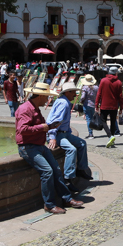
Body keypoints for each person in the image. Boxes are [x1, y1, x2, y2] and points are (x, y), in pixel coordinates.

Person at [15, 82, 87, 214]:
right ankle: (49, 204)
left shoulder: (35, 108)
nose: (49, 99)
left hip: (39, 145)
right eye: (47, 96)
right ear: (41, 96)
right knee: (47, 172)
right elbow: (22, 129)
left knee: (56, 170)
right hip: (28, 147)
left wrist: (49, 128)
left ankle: (67, 198)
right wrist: (43, 128)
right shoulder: (25, 109)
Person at [47, 80, 93, 189]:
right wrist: (52, 137)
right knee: (71, 150)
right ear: (67, 92)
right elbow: (55, 121)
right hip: (58, 134)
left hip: (65, 133)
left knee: (82, 143)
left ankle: (81, 169)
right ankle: (68, 178)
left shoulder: (64, 101)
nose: (75, 95)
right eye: (73, 92)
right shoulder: (63, 103)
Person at [97, 67, 123, 147]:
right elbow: (120, 96)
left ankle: (110, 136)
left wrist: (96, 104)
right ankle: (112, 139)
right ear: (116, 73)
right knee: (113, 122)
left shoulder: (103, 80)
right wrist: (121, 107)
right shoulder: (118, 82)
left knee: (103, 121)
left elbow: (99, 93)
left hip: (104, 105)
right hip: (114, 105)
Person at [80, 74, 98, 138]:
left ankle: (90, 134)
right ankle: (92, 130)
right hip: (94, 105)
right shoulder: (96, 88)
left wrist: (80, 101)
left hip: (86, 104)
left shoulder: (85, 87)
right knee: (92, 118)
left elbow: (83, 96)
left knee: (88, 119)